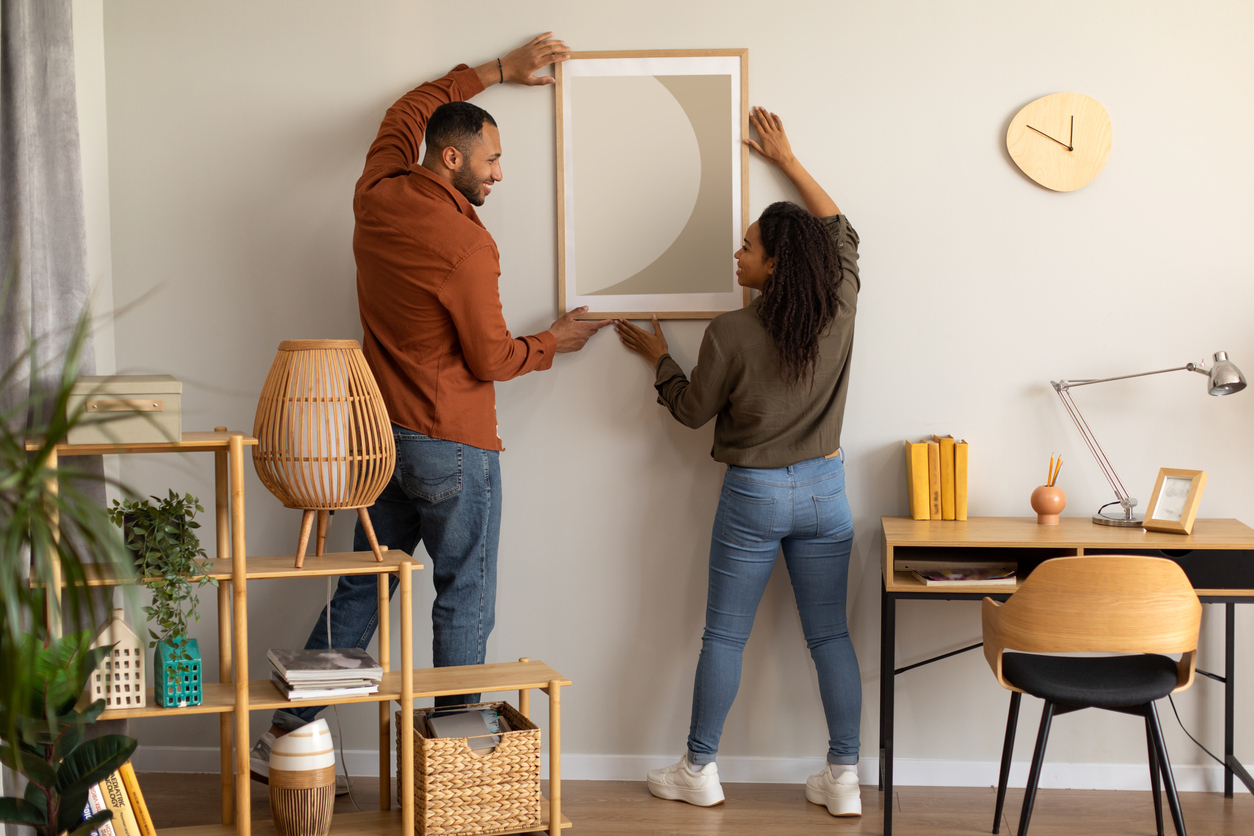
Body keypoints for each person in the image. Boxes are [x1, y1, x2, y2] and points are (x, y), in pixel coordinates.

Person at [250, 33, 610, 787]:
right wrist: (555, 341)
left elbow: (408, 108)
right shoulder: (467, 248)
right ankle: (456, 765)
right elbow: (490, 359)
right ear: (452, 159)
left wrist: (498, 73)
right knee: (464, 593)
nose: (500, 174)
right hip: (451, 444)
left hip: (384, 444)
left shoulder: (376, 187)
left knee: (364, 583)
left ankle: (283, 735)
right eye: (492, 161)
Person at [615, 107, 863, 816]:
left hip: (754, 495)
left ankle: (700, 770)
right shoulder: (841, 304)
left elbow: (692, 412)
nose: (737, 252)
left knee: (725, 634)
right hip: (825, 491)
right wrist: (786, 158)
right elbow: (840, 231)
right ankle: (843, 779)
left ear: (776, 262)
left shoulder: (730, 332)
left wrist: (660, 358)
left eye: (748, 246)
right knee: (830, 636)